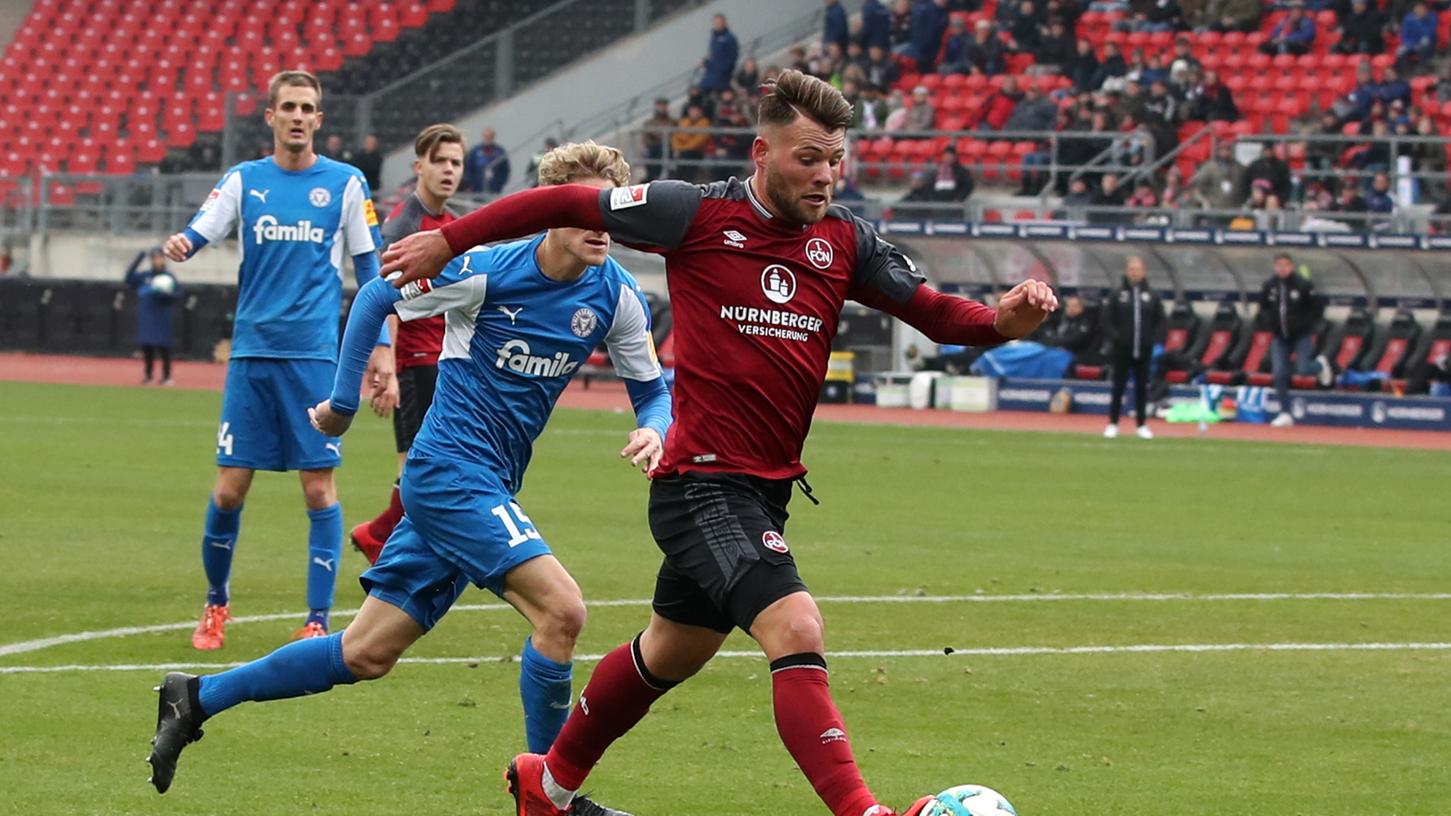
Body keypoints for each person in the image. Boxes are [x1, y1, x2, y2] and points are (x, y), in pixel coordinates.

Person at [378, 68, 1057, 816]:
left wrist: (1001, 321)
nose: (826, 175)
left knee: (667, 651)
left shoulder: (845, 241)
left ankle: (548, 782)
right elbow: (569, 200)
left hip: (763, 488)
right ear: (762, 152)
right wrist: (448, 238)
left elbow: (935, 314)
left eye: (836, 159)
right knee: (795, 625)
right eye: (808, 158)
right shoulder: (691, 213)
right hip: (700, 482)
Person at [144, 143, 669, 816]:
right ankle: (552, 796)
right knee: (561, 612)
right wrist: (339, 403)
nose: (600, 224)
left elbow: (652, 389)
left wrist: (655, 425)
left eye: (608, 210)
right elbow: (374, 297)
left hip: (485, 483)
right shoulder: (485, 273)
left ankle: (195, 697)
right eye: (582, 209)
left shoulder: (616, 295)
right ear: (546, 212)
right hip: (449, 473)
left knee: (366, 652)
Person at [160, 70, 394, 648]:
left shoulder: (345, 183)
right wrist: (184, 244)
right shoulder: (246, 180)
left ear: (318, 119)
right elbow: (204, 226)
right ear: (270, 117)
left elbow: (371, 272)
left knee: (318, 490)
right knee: (229, 490)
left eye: (306, 107)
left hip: (314, 357)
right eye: (287, 106)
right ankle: (216, 606)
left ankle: (317, 619)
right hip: (252, 355)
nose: (296, 115)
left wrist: (382, 347)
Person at [349, 124, 465, 565]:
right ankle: (388, 543)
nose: (449, 170)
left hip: (445, 360)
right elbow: (387, 300)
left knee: (433, 463)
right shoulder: (404, 223)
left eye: (456, 162)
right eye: (440, 161)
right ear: (419, 167)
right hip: (415, 362)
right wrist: (390, 371)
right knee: (416, 465)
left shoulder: (453, 226)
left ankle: (381, 536)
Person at [1258, 253, 1325, 427]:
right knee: (1279, 373)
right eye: (1278, 265)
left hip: (1301, 335)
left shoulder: (1303, 285)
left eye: (1285, 265)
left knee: (1303, 369)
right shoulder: (1269, 285)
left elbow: (1317, 308)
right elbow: (1263, 307)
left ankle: (1320, 366)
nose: (1282, 269)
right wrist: (1270, 324)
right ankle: (1285, 412)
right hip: (1280, 337)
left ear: (1292, 266)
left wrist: (1307, 325)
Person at [1102, 255, 1163, 439]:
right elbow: (1106, 320)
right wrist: (1117, 338)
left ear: (1143, 272)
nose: (1135, 273)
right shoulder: (1118, 295)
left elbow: (1160, 321)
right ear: (1127, 272)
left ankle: (1142, 424)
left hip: (1143, 349)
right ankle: (1113, 423)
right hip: (1122, 350)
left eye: (1138, 269)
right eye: (1132, 269)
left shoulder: (1151, 296)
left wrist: (1152, 340)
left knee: (1142, 387)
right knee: (1118, 386)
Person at [124, 246, 180, 385]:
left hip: (162, 316)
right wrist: (140, 257)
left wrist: (166, 294)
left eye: (160, 257)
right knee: (147, 347)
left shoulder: (168, 277)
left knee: (164, 348)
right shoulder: (145, 276)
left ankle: (166, 377)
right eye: (155, 258)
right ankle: (148, 376)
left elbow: (178, 293)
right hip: (147, 316)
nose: (158, 260)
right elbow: (128, 278)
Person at [699, 13, 739, 94]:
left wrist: (724, 70)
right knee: (699, 90)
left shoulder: (729, 38)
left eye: (719, 23)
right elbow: (712, 55)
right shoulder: (714, 37)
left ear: (724, 23)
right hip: (711, 73)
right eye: (715, 23)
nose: (717, 25)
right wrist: (705, 62)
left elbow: (733, 57)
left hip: (722, 74)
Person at [464, 127, 510, 194]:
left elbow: (505, 170)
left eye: (490, 136)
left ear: (493, 137)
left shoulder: (500, 151)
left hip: (495, 189)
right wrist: (471, 184)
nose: (488, 139)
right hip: (477, 189)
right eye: (486, 136)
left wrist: (500, 184)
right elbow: (468, 168)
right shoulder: (475, 151)